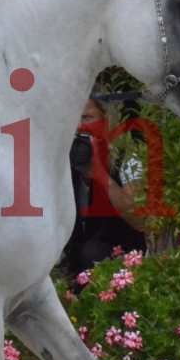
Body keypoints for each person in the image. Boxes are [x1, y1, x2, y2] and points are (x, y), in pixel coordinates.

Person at [60, 97, 148, 278]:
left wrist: (99, 174)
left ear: (108, 121)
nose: (78, 126)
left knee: (93, 252)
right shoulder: (69, 156)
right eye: (74, 118)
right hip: (77, 263)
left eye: (86, 118)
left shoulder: (129, 158)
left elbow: (138, 218)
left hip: (122, 259)